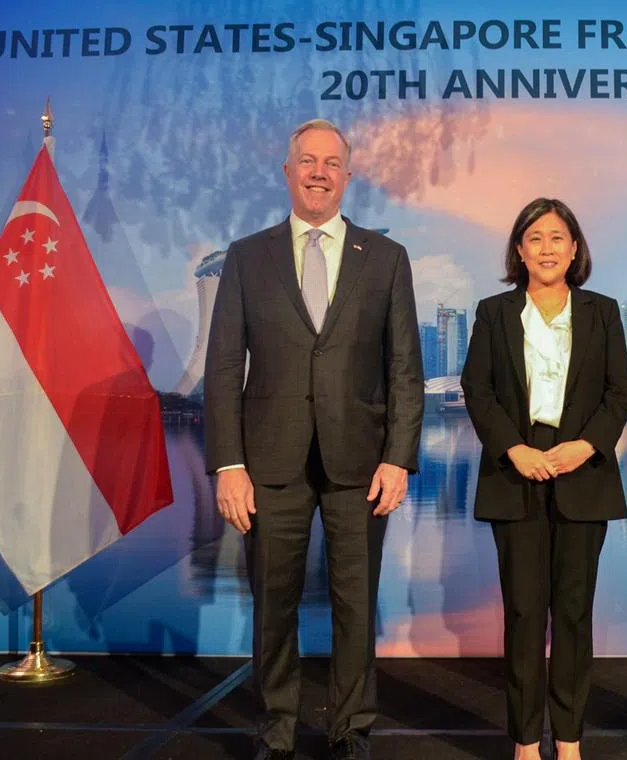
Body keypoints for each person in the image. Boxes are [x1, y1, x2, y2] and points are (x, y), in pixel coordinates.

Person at [204, 118, 424, 760]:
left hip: (361, 462)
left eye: (332, 162)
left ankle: (351, 728)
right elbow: (223, 367)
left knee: (356, 604)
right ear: (288, 171)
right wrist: (227, 464)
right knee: (274, 606)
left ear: (348, 177)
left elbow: (403, 367)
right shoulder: (248, 256)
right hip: (267, 463)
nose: (320, 172)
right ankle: (275, 730)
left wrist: (398, 458)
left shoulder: (385, 258)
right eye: (307, 160)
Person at [460, 198, 627, 760]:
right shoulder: (493, 312)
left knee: (576, 613)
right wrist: (513, 448)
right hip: (516, 469)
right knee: (524, 613)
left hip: (582, 468)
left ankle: (571, 737)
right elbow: (478, 390)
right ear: (519, 250)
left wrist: (585, 445)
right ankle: (525, 741)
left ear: (575, 248)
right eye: (535, 238)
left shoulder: (603, 311)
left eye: (558, 237)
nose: (547, 248)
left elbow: (619, 392)